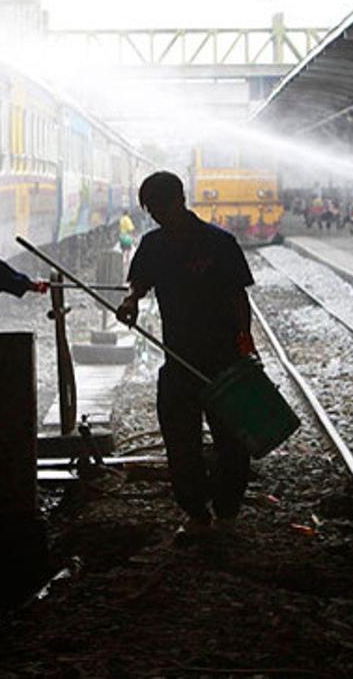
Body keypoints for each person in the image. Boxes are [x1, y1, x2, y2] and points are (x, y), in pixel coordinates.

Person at [115, 171, 256, 545]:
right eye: (151, 210)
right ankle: (197, 513)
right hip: (178, 359)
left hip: (223, 360)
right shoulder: (153, 244)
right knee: (179, 440)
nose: (157, 215)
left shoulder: (219, 243)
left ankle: (227, 513)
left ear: (179, 200)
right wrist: (131, 301)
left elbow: (238, 296)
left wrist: (245, 339)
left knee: (232, 441)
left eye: (160, 207)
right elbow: (140, 282)